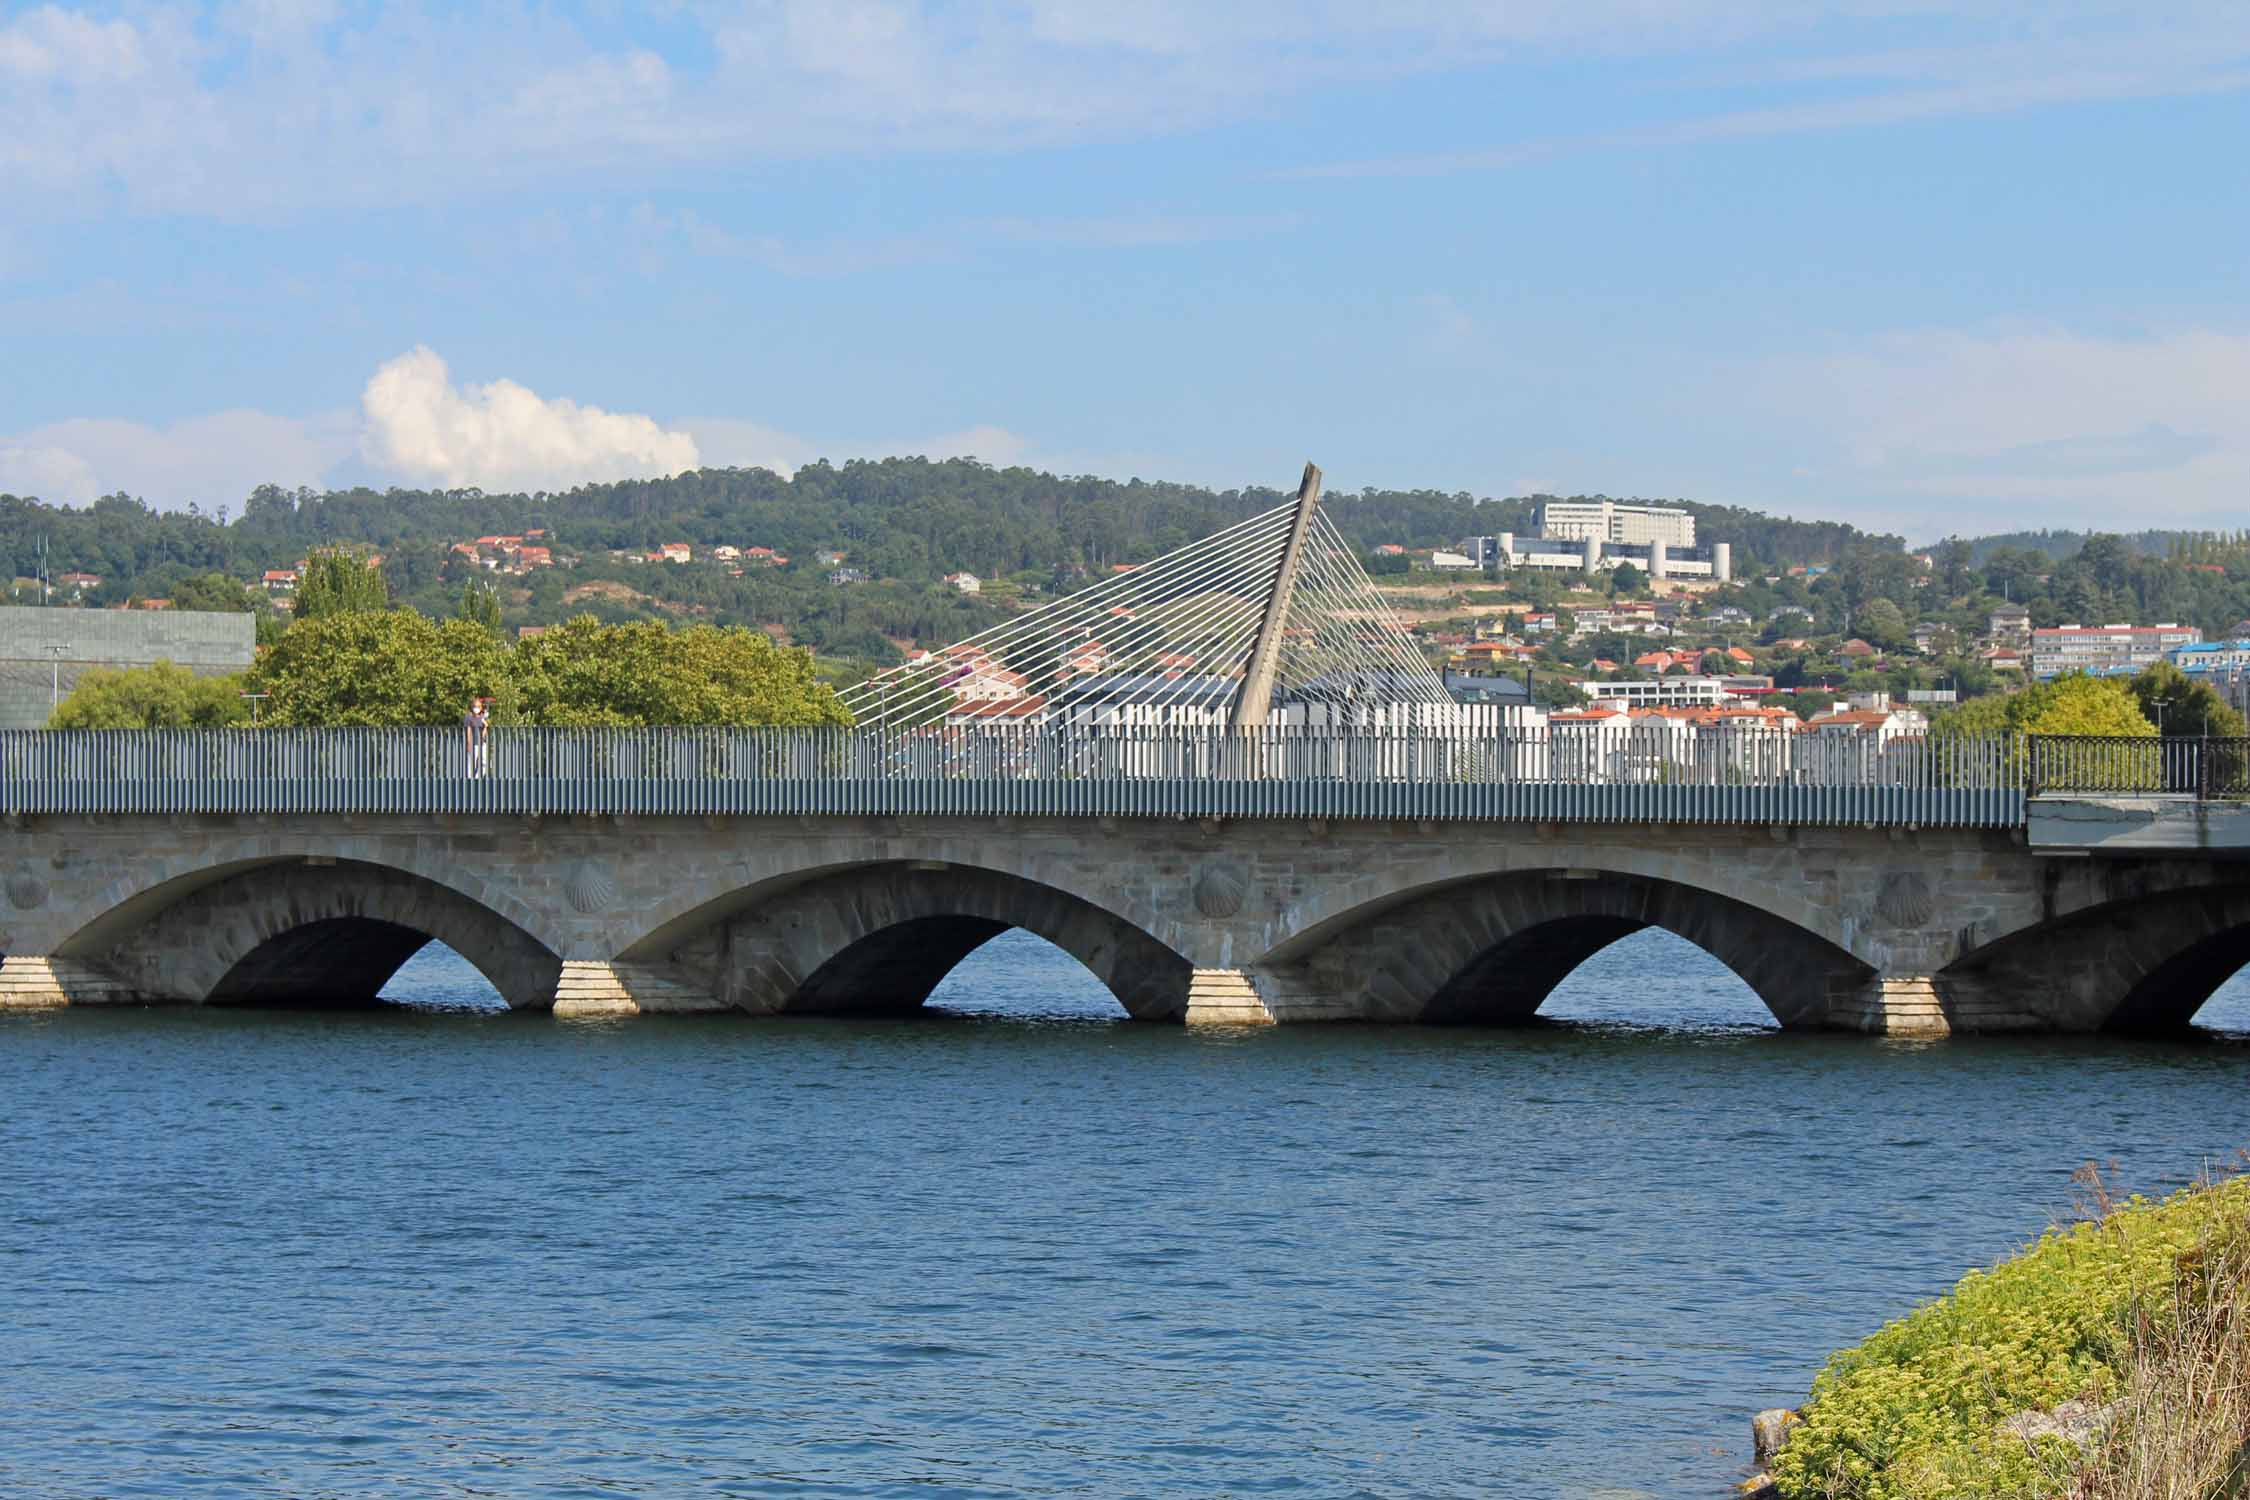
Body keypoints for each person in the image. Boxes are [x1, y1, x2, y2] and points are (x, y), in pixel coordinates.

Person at [463, 697, 491, 778]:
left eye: (478, 706)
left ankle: (477, 778)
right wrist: (468, 742)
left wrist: (485, 726)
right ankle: (469, 780)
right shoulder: (469, 716)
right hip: (473, 743)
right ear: (472, 707)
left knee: (485, 762)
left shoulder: (482, 717)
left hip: (482, 743)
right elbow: (468, 729)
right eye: (475, 706)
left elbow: (485, 731)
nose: (476, 708)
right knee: (471, 763)